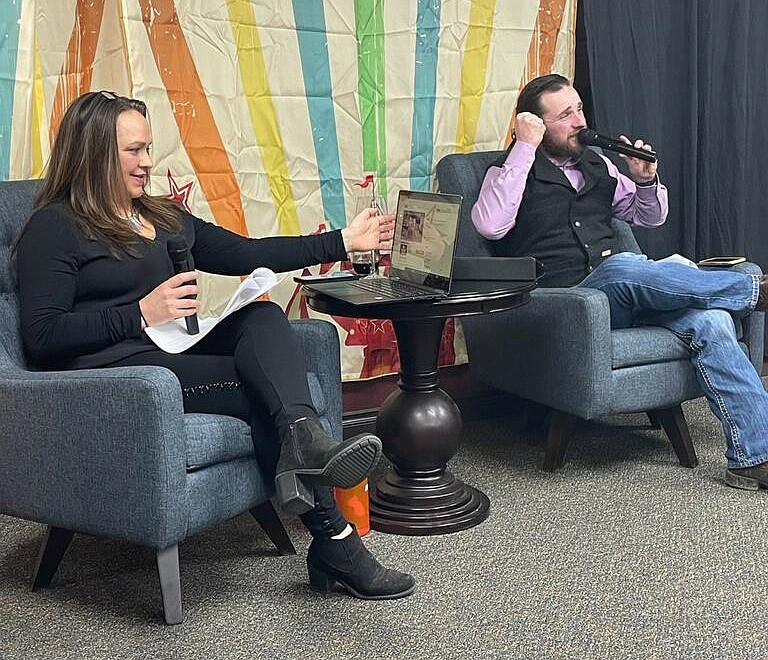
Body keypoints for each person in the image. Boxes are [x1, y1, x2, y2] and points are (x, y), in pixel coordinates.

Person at [13, 90, 416, 599]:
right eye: (134, 150)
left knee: (264, 316)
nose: (147, 162)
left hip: (173, 351)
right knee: (260, 393)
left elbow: (246, 252)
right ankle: (335, 539)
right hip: (124, 376)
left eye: (148, 147)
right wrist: (140, 313)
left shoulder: (159, 215)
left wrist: (340, 241)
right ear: (95, 153)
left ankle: (303, 437)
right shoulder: (57, 225)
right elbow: (43, 335)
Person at [471, 73, 768, 490]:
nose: (579, 121)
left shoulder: (599, 165)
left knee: (713, 322)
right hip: (567, 302)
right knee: (625, 265)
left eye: (579, 108)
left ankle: (753, 457)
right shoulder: (510, 170)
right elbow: (490, 225)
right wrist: (524, 147)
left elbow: (648, 216)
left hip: (627, 295)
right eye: (565, 114)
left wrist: (645, 179)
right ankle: (750, 290)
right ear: (535, 125)